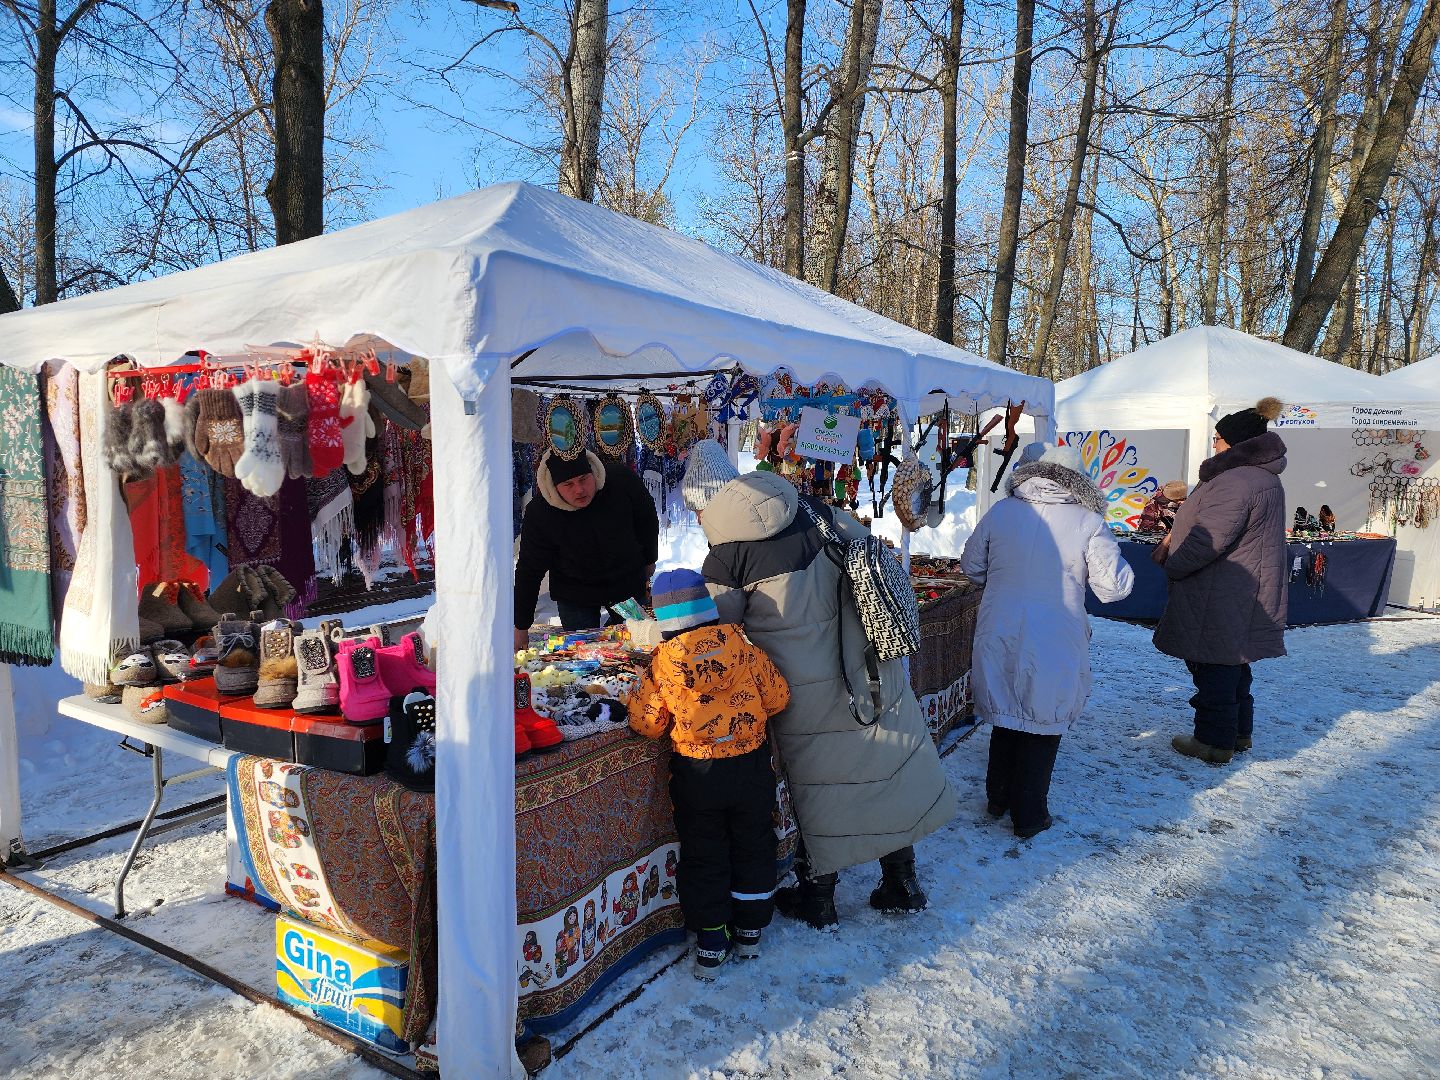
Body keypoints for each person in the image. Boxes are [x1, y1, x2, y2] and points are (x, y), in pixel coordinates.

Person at [683, 440, 957, 931]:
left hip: (806, 686)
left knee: (822, 785)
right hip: (869, 662)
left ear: (708, 504)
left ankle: (818, 897)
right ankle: (901, 880)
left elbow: (713, 636)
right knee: (884, 764)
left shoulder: (727, 554)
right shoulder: (809, 505)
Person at [960, 444, 1134, 839]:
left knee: (1007, 709)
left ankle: (998, 797)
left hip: (1001, 623)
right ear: (1076, 479)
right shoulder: (1088, 521)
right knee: (1042, 716)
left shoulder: (1002, 511)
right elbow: (1113, 588)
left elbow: (971, 566)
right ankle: (1030, 814)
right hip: (1055, 630)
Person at [628, 568, 791, 978]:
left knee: (704, 853)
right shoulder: (742, 645)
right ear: (708, 608)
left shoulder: (663, 663)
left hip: (697, 774)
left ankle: (712, 940)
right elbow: (777, 697)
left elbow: (647, 724)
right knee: (753, 842)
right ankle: (751, 929)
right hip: (750, 765)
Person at [1153, 397, 1287, 764]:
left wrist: (1175, 564)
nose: (1214, 443)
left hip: (1222, 587)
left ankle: (1213, 742)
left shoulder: (1236, 481)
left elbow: (1209, 538)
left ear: (1236, 443)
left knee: (1213, 664)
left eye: (1219, 438)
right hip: (1236, 586)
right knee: (1232, 662)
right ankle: (1237, 733)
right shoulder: (1257, 476)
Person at [513, 449, 659, 650]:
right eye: (568, 484)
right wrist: (521, 626)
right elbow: (529, 570)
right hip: (574, 592)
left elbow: (647, 519)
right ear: (555, 487)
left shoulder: (621, 480)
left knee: (638, 646)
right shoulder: (540, 512)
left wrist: (650, 559)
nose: (579, 490)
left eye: (583, 479)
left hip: (626, 583)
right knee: (582, 655)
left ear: (593, 472)